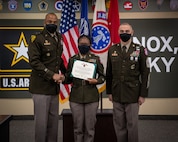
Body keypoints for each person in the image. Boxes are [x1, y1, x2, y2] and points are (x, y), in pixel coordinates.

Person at [106, 23, 150, 142]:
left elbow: (145, 74)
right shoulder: (112, 49)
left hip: (133, 94)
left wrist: (143, 94)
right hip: (117, 93)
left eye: (127, 31)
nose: (124, 33)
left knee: (132, 126)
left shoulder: (139, 49)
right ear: (118, 32)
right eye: (122, 31)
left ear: (132, 32)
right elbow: (109, 73)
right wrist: (109, 92)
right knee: (119, 126)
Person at [28, 13, 66, 142]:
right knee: (41, 124)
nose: (52, 24)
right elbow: (34, 62)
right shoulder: (37, 39)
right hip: (40, 87)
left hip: (53, 88)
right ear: (44, 22)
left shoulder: (58, 37)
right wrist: (52, 75)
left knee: (53, 123)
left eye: (55, 22)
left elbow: (57, 60)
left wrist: (67, 73)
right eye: (50, 21)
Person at [63, 35, 105, 142]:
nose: (83, 46)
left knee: (90, 128)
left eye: (86, 44)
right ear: (77, 45)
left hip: (91, 97)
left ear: (90, 45)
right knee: (77, 128)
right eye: (81, 44)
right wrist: (62, 78)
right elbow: (68, 78)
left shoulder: (95, 59)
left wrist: (97, 81)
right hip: (76, 97)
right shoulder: (72, 60)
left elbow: (103, 76)